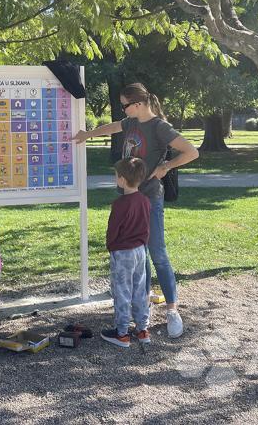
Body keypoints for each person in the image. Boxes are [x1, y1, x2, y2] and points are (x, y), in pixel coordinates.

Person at [72, 83, 199, 338]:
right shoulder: (130, 123)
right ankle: (143, 306)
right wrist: (88, 134)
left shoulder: (159, 127)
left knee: (157, 253)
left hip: (150, 199)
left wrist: (167, 166)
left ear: (138, 104)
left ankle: (172, 309)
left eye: (125, 105)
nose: (123, 109)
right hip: (128, 199)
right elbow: (112, 127)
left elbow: (191, 152)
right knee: (138, 254)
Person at [101, 157, 152, 348]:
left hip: (122, 253)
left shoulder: (120, 204)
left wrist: (111, 246)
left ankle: (121, 333)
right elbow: (146, 226)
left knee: (122, 291)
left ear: (122, 179)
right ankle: (142, 329)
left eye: (116, 176)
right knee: (139, 289)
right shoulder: (145, 200)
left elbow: (113, 228)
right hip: (140, 251)